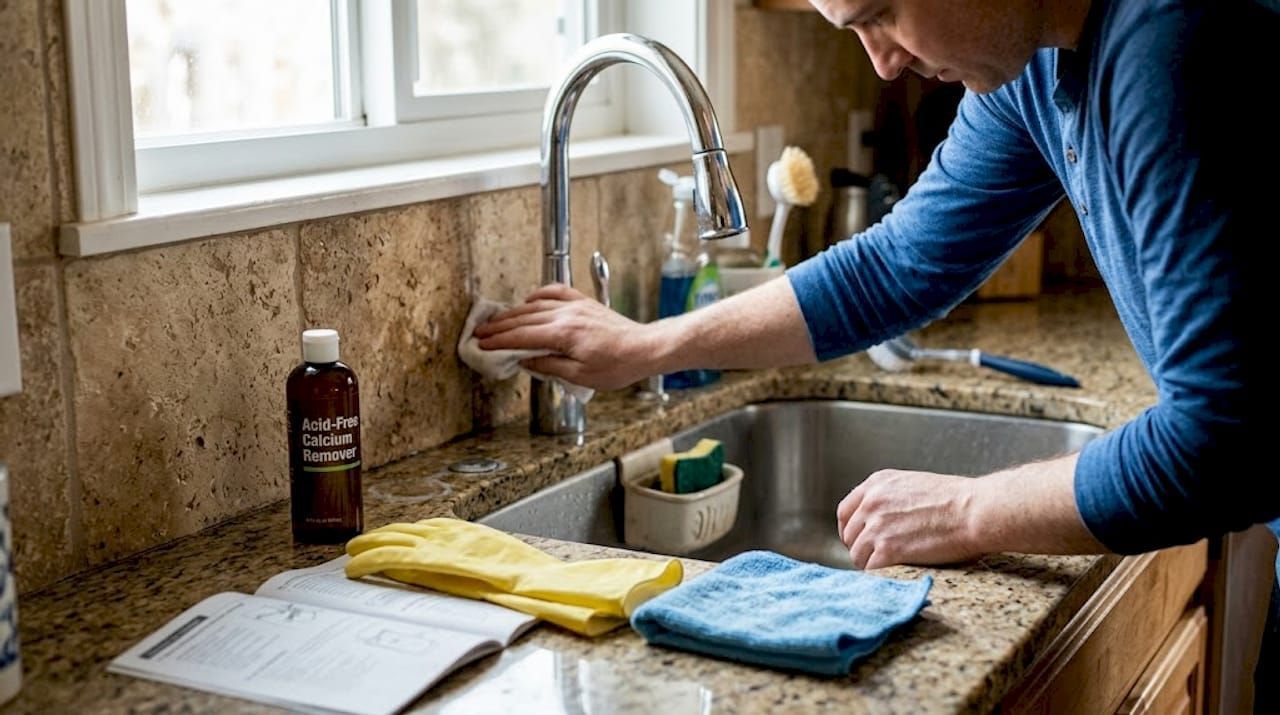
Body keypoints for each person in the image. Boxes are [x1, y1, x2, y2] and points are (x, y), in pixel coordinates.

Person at [476, 0, 1278, 703]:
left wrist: (967, 510)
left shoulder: (1173, 42)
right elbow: (896, 265)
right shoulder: (1039, 61)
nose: (885, 63)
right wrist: (647, 346)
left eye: (883, 13)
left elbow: (1221, 442)